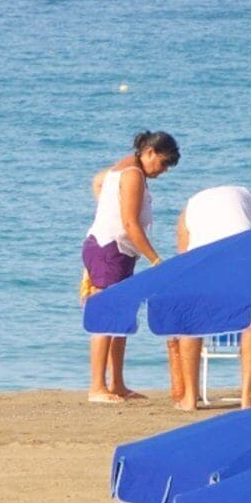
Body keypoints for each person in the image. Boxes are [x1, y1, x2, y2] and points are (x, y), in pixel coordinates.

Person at [83, 131, 177, 403]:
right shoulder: (133, 174)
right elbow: (130, 224)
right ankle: (97, 386)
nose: (164, 170)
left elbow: (98, 181)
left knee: (121, 316)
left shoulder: (123, 167)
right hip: (109, 250)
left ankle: (117, 383)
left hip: (114, 250)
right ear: (149, 152)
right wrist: (155, 260)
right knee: (105, 314)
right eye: (163, 163)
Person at [163, 181, 251, 409]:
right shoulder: (248, 196)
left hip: (201, 257)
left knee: (192, 321)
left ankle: (190, 398)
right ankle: (248, 395)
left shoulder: (189, 208)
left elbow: (183, 257)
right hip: (240, 248)